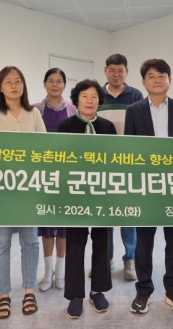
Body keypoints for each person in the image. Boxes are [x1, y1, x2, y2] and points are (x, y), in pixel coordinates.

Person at [125, 59, 173, 315]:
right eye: (151, 76)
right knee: (143, 243)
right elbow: (129, 151)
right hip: (146, 187)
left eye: (162, 75)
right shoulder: (134, 111)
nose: (157, 80)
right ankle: (143, 291)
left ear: (169, 80)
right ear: (143, 82)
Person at [0, 66, 44, 320]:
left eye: (18, 81)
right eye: (8, 81)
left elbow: (45, 149)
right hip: (2, 190)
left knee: (30, 241)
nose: (14, 86)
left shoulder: (34, 113)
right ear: (0, 86)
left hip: (29, 189)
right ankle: (3, 295)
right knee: (0, 244)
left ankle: (29, 290)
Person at [57, 79, 115, 319]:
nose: (90, 101)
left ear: (99, 101)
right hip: (76, 194)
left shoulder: (108, 126)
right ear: (76, 100)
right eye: (84, 96)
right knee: (75, 243)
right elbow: (61, 160)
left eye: (94, 97)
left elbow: (115, 160)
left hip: (103, 194)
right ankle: (75, 295)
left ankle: (97, 291)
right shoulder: (66, 126)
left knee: (102, 242)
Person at [97, 54, 144, 281]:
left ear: (127, 72)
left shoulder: (135, 95)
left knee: (128, 213)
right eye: (112, 70)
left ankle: (130, 259)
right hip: (102, 163)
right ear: (105, 70)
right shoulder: (97, 94)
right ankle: (105, 259)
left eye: (121, 70)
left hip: (128, 163)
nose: (116, 74)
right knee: (104, 215)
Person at [33, 68, 77, 291]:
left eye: (59, 81)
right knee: (47, 224)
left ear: (64, 85)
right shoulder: (35, 109)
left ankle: (60, 271)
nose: (55, 84)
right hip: (43, 173)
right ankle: (47, 272)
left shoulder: (72, 109)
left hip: (66, 173)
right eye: (50, 80)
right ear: (44, 83)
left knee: (63, 223)